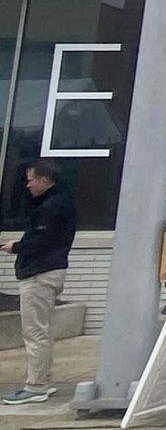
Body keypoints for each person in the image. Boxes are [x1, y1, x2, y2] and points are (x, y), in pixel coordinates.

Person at [0, 159, 77, 405]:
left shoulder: (52, 207)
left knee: (34, 332)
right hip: (49, 272)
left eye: (31, 179)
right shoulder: (56, 203)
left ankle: (36, 386)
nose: (27, 184)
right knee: (41, 331)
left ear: (44, 180)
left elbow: (41, 241)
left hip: (40, 275)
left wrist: (15, 247)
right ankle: (42, 381)